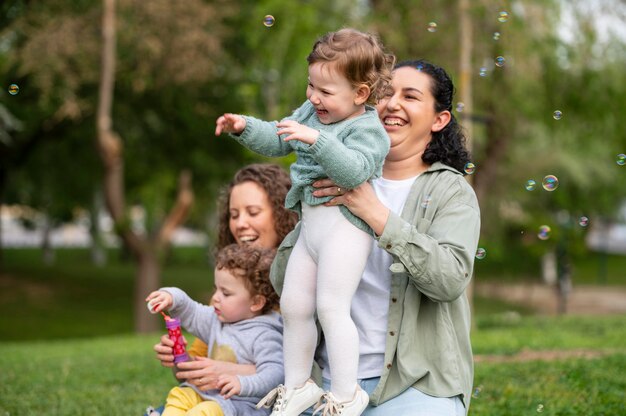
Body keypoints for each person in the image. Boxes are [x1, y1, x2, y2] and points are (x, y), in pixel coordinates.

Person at [269, 59, 481, 416]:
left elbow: (448, 280)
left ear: (438, 120)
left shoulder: (451, 191)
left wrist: (375, 213)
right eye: (385, 93)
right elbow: (281, 282)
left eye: (410, 97)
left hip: (415, 384)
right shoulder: (329, 179)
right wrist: (312, 218)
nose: (392, 104)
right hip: (330, 384)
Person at [215, 28, 395, 416]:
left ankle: (348, 394)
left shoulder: (368, 129)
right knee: (295, 305)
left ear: (360, 94)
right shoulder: (312, 112)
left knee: (332, 306)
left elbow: (354, 171)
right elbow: (279, 138)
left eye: (326, 91)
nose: (314, 97)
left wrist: (316, 140)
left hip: (346, 230)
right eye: (311, 85)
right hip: (312, 230)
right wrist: (244, 126)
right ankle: (298, 386)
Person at [148, 164, 298, 414]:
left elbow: (303, 376)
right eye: (234, 214)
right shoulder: (231, 293)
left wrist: (231, 373)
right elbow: (193, 373)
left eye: (253, 212)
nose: (240, 223)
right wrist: (179, 357)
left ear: (283, 215)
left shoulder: (302, 287)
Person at [146, 244, 283, 416]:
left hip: (239, 406)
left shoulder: (265, 334)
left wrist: (242, 384)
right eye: (216, 289)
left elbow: (276, 373)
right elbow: (191, 311)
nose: (215, 298)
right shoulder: (217, 319)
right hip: (207, 393)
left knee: (204, 412)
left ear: (256, 302)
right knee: (179, 395)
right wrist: (171, 297)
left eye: (225, 293)